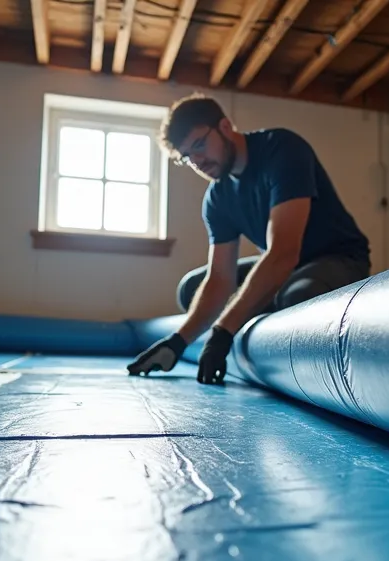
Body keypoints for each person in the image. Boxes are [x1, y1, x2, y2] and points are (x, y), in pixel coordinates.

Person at [127, 93, 372, 384]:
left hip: (337, 257)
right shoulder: (217, 198)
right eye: (187, 156)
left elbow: (283, 252)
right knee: (191, 289)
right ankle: (267, 296)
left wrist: (222, 332)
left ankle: (270, 297)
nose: (198, 161)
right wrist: (177, 342)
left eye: (200, 145)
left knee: (297, 295)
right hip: (288, 265)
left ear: (226, 127)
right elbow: (220, 278)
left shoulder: (282, 149)